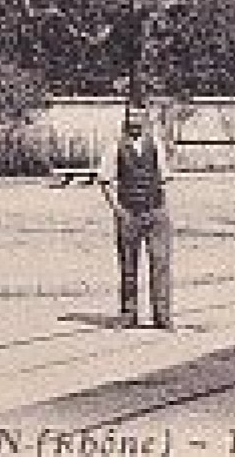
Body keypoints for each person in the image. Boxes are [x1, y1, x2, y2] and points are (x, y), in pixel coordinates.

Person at [99, 107, 174, 329]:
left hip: (155, 212)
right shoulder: (115, 147)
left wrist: (161, 210)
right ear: (125, 120)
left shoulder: (156, 145)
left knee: (160, 264)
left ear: (146, 120)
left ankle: (162, 316)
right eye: (131, 116)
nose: (135, 121)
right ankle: (128, 314)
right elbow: (104, 181)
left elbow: (163, 178)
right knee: (128, 266)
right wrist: (117, 211)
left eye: (139, 117)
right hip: (128, 213)